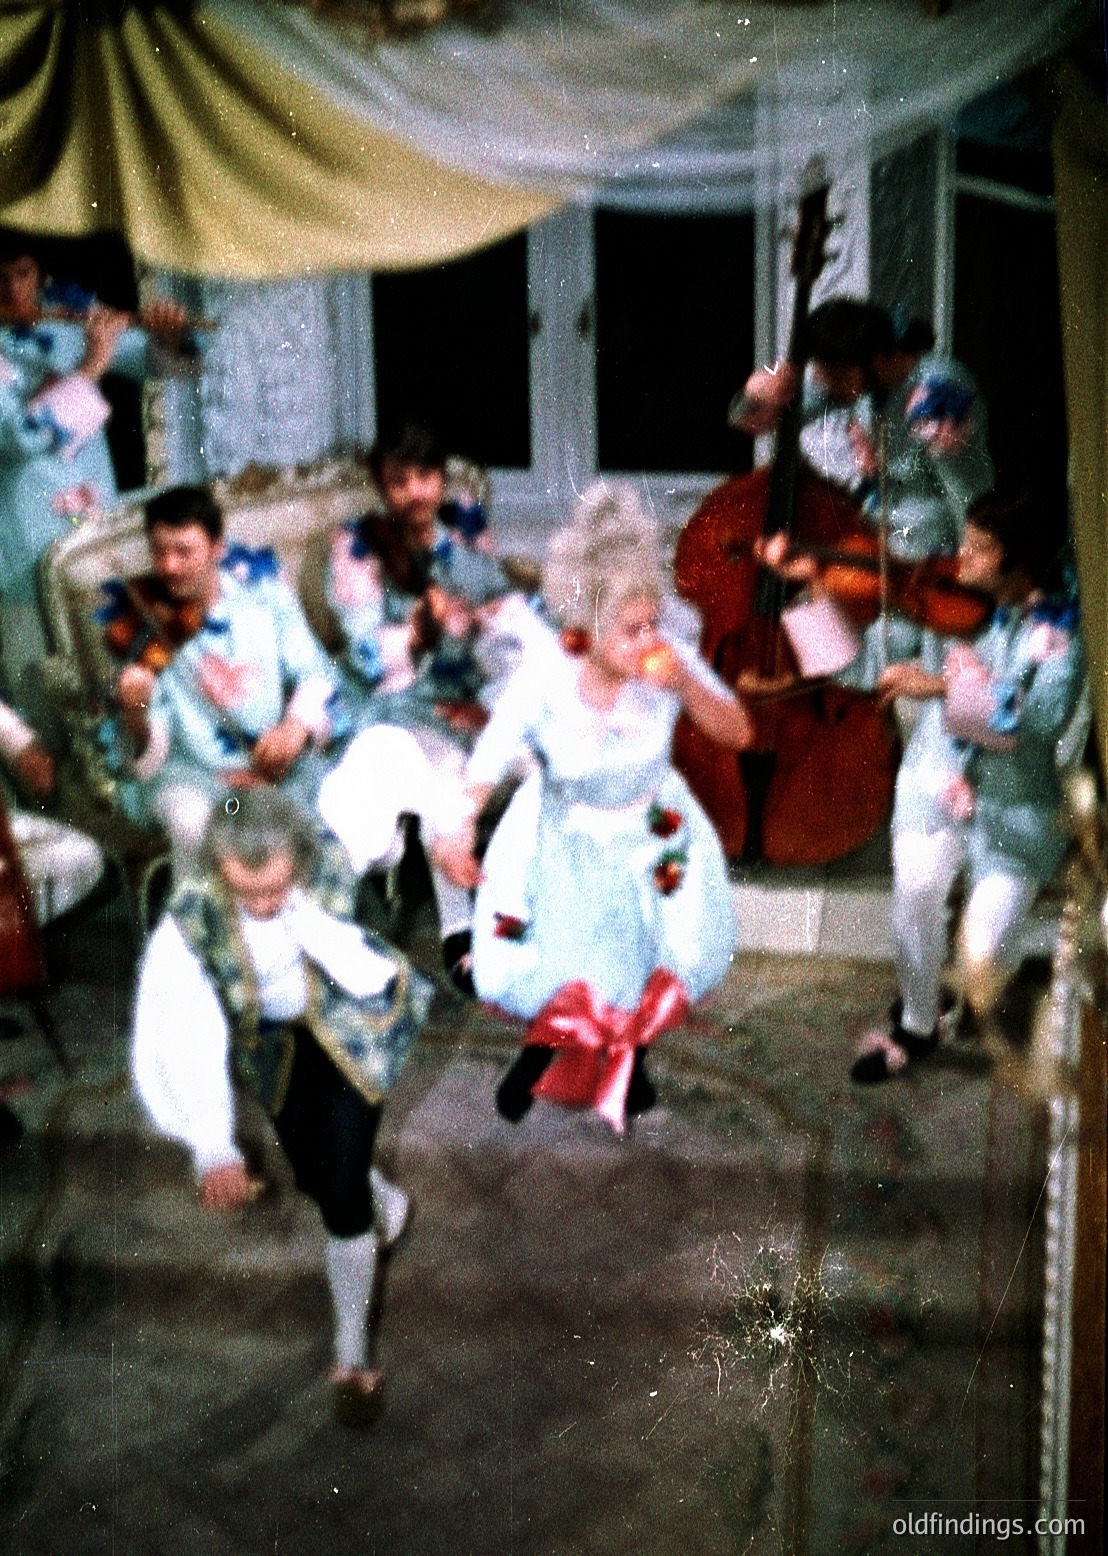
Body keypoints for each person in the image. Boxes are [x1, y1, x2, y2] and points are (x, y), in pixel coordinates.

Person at [461, 482, 754, 1132]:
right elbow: (487, 759)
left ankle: (634, 1059)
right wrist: (458, 826)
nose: (648, 638)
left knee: (652, 951)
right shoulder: (546, 678)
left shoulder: (666, 662)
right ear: (585, 628)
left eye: (652, 622)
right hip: (566, 834)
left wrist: (683, 683)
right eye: (629, 630)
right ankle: (536, 1056)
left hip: (653, 825)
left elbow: (738, 732)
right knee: (566, 961)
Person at [132, 789, 431, 1419]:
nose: (265, 905)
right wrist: (211, 1145)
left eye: (277, 888)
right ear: (217, 869)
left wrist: (308, 922)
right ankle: (382, 1199)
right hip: (272, 1045)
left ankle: (351, 1353)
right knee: (318, 1180)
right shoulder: (189, 922)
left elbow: (363, 968)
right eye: (249, 893)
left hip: (349, 1025)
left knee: (341, 1191)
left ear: (297, 858)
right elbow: (186, 1031)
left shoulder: (327, 864)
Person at [847, 489, 1086, 1083]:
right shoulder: (949, 604)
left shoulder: (1064, 634)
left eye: (981, 547)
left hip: (1016, 809)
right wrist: (813, 603)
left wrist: (942, 689)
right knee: (916, 895)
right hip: (937, 784)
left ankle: (1001, 976)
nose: (962, 556)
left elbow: (1042, 718)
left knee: (982, 961)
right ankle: (917, 1024)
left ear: (1019, 563)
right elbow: (863, 662)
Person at [327, 422, 551, 990]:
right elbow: (364, 654)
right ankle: (458, 929)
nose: (416, 493)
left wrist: (491, 633)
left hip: (470, 693)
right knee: (447, 782)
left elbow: (501, 609)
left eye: (426, 477)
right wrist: (423, 630)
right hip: (400, 702)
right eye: (399, 482)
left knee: (539, 764)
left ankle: (514, 901)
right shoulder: (359, 545)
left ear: (442, 480)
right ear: (381, 487)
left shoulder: (464, 528)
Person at [106, 484, 340, 883]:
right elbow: (148, 757)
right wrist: (135, 710)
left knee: (324, 824)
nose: (169, 567)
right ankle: (206, 938)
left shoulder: (263, 593)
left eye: (184, 551)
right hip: (197, 779)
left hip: (274, 771)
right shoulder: (140, 624)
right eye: (159, 551)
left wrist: (294, 728)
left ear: (216, 548)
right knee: (198, 828)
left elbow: (315, 670)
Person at [0, 232, 189, 700]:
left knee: (119, 670)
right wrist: (90, 366)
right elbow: (19, 436)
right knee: (46, 688)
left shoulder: (67, 315)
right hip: (22, 544)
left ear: (41, 273)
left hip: (92, 524)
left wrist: (169, 340)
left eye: (22, 274)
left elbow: (163, 367)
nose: (11, 293)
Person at [730, 299, 994, 565]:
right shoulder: (862, 374)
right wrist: (761, 391)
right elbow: (755, 420)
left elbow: (968, 493)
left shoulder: (936, 394)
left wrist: (965, 570)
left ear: (876, 359)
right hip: (879, 538)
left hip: (930, 551)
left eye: (832, 373)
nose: (822, 381)